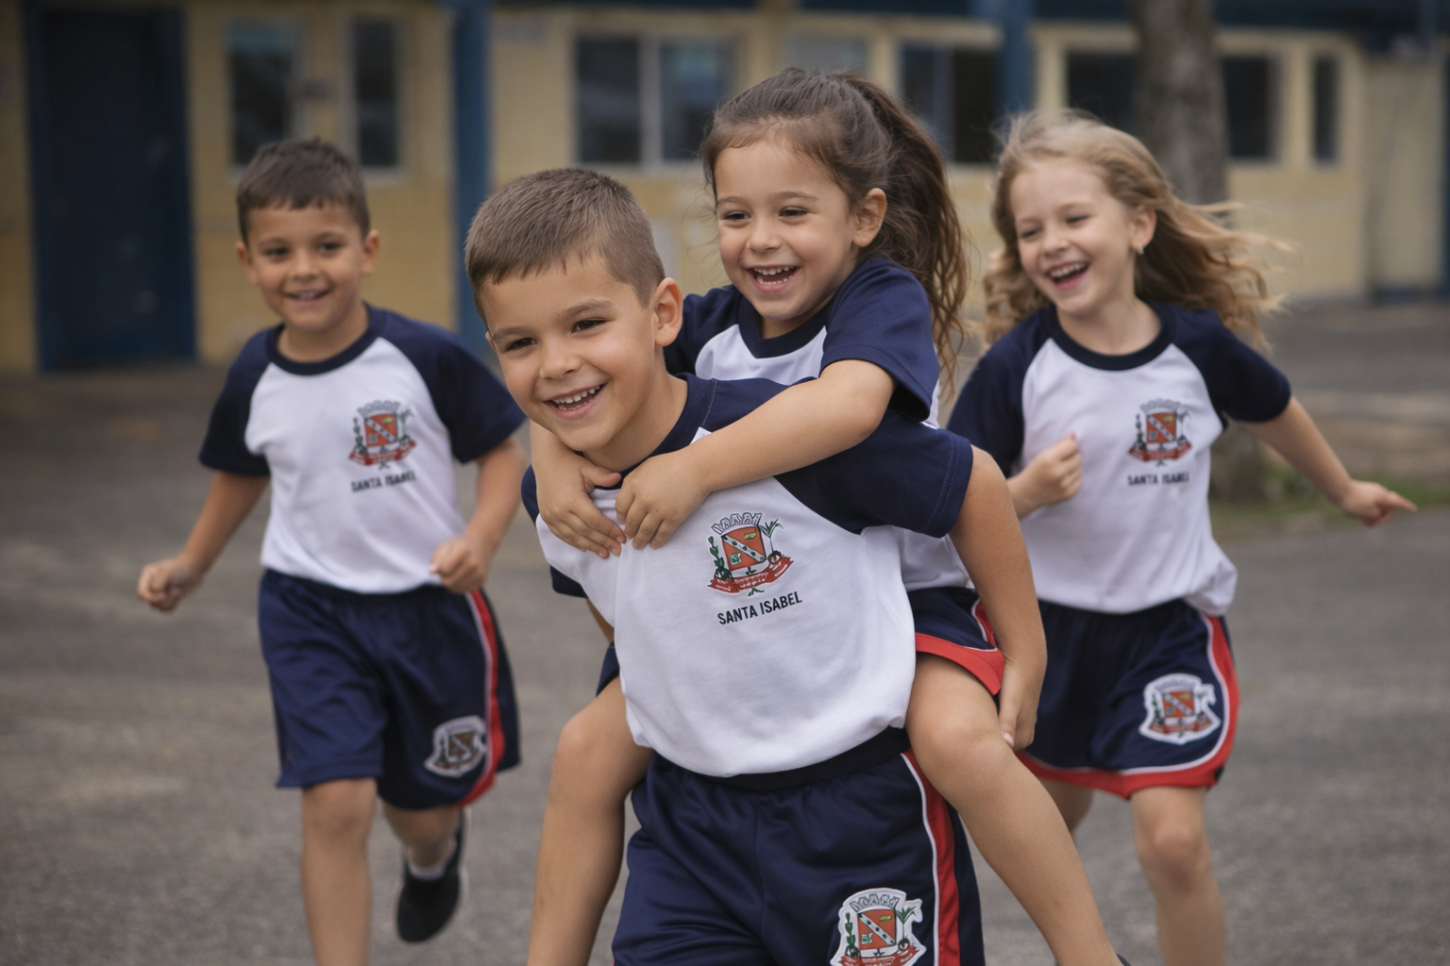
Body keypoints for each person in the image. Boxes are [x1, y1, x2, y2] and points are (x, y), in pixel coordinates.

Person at [525, 70, 1123, 966]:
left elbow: (846, 412)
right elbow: (578, 368)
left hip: (898, 594)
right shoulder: (704, 323)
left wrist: (1027, 651)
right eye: (736, 216)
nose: (761, 241)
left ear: (865, 217)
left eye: (792, 213)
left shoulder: (880, 301)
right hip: (737, 607)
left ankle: (1088, 953)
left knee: (958, 740)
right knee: (582, 751)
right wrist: (551, 457)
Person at [948, 111, 1417, 966]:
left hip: (1168, 634)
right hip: (1046, 640)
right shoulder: (1017, 365)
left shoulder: (1196, 349)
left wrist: (1345, 488)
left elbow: (1275, 410)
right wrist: (1022, 493)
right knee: (1036, 837)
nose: (1052, 242)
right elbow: (961, 503)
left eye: (1073, 218)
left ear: (1137, 223)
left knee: (1171, 843)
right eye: (1030, 229)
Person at [135, 138, 528, 966]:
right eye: (278, 251)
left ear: (367, 251)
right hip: (309, 609)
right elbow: (242, 474)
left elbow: (502, 448)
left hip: (427, 608)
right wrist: (191, 565)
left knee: (420, 810)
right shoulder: (254, 373)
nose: (303, 270)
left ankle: (432, 858)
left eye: (326, 246)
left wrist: (481, 537)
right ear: (248, 262)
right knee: (337, 802)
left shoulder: (420, 357)